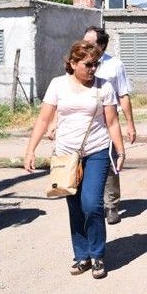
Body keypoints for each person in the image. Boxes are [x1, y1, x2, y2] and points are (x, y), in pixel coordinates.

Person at [24, 40, 125, 279]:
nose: (93, 69)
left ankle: (98, 255)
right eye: (88, 64)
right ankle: (82, 256)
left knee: (92, 204)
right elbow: (43, 119)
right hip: (66, 155)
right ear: (72, 63)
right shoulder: (58, 85)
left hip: (97, 151)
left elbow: (111, 122)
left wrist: (120, 151)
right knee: (75, 206)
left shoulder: (104, 87)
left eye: (96, 64)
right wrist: (31, 150)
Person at [84, 26, 136, 225]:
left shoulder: (115, 65)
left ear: (102, 45)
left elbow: (123, 95)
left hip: (108, 123)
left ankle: (112, 205)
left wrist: (130, 124)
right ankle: (90, 203)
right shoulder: (78, 63)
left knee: (110, 164)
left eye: (90, 43)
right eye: (84, 41)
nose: (85, 45)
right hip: (84, 124)